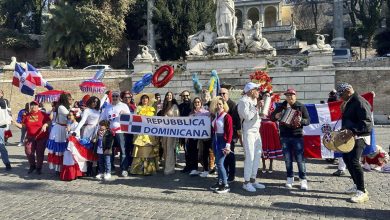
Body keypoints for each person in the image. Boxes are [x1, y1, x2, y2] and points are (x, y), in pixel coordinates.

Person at [336, 83, 372, 203]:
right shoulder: (350, 101)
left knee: (354, 161)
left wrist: (352, 131)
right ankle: (357, 185)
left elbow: (367, 123)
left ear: (348, 90)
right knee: (346, 159)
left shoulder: (360, 102)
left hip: (360, 137)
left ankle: (362, 192)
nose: (340, 97)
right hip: (351, 137)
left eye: (341, 94)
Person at [271, 88, 310, 190]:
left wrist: (301, 121)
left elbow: (308, 121)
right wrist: (276, 115)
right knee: (287, 159)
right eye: (287, 95)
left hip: (297, 136)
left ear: (295, 96)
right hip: (284, 136)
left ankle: (303, 179)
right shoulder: (281, 106)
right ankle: (289, 177)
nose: (290, 97)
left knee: (300, 159)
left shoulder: (300, 106)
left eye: (291, 95)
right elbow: (272, 117)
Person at [237, 82, 265, 192]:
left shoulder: (254, 100)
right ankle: (246, 182)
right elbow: (247, 117)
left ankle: (253, 179)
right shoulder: (243, 101)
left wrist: (261, 110)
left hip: (256, 131)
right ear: (250, 91)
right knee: (250, 157)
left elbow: (257, 116)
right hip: (248, 131)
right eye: (256, 89)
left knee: (257, 155)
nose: (258, 91)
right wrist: (257, 107)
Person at [13, 101, 50, 174]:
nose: (33, 106)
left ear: (38, 106)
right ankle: (32, 166)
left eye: (35, 105)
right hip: (30, 137)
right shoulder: (27, 116)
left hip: (41, 137)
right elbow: (23, 126)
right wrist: (15, 123)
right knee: (28, 151)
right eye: (32, 105)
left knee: (40, 153)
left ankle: (38, 168)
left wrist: (45, 125)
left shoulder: (43, 114)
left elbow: (49, 121)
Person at [101, 91, 132, 177]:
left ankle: (124, 169)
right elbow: (102, 119)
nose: (114, 98)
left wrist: (125, 113)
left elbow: (130, 117)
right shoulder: (108, 107)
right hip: (110, 132)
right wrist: (103, 126)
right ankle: (110, 169)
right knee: (109, 150)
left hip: (120, 131)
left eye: (116, 96)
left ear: (119, 97)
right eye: (113, 96)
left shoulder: (123, 105)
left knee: (123, 150)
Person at [209, 96, 233, 193]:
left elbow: (230, 131)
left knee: (220, 163)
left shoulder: (227, 116)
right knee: (217, 163)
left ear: (224, 105)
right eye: (217, 104)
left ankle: (225, 184)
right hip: (215, 139)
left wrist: (228, 145)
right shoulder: (216, 115)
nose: (218, 106)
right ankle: (219, 182)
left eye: (220, 104)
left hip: (223, 140)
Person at [130, 94, 159, 175]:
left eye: (146, 98)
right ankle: (138, 169)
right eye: (143, 98)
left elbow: (155, 120)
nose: (145, 100)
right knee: (140, 150)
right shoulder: (138, 108)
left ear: (148, 100)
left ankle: (149, 169)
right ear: (141, 100)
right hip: (140, 132)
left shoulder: (152, 109)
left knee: (148, 149)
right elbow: (134, 119)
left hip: (149, 132)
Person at [47, 93, 73, 173]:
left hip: (64, 128)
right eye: (69, 99)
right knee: (59, 149)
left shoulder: (66, 107)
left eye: (71, 99)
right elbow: (69, 115)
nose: (71, 100)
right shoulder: (61, 107)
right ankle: (58, 168)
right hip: (59, 129)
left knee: (64, 149)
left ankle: (63, 166)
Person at [219, 88, 240, 182]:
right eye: (220, 93)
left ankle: (231, 175)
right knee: (223, 155)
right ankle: (224, 173)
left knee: (230, 155)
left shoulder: (232, 104)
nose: (222, 95)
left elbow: (236, 121)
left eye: (224, 93)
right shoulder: (219, 105)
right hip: (221, 134)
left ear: (228, 94)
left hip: (230, 134)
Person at [259, 91, 283, 173]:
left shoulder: (274, 105)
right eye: (265, 95)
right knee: (263, 145)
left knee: (271, 145)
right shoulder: (259, 104)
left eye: (268, 96)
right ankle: (263, 165)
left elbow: (277, 117)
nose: (267, 97)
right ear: (262, 96)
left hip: (272, 127)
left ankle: (271, 164)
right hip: (262, 127)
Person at [187, 97, 210, 176]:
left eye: (198, 102)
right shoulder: (191, 114)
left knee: (204, 153)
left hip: (204, 137)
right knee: (194, 152)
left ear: (201, 103)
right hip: (194, 136)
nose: (197, 104)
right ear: (193, 104)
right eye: (195, 102)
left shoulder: (206, 113)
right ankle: (194, 169)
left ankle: (206, 169)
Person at [160, 92, 180, 175]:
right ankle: (166, 165)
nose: (169, 96)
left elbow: (178, 120)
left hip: (171, 131)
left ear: (172, 97)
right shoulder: (164, 107)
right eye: (167, 95)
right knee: (165, 148)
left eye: (170, 95)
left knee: (170, 149)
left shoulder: (174, 107)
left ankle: (169, 169)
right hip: (164, 131)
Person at [178, 90, 192, 173]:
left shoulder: (192, 105)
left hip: (192, 132)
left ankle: (193, 166)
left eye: (187, 95)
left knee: (192, 150)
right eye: (183, 96)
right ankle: (187, 166)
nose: (185, 97)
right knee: (186, 150)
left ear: (189, 96)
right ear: (181, 97)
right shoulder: (180, 106)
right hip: (183, 131)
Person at [0, 89, 11, 170]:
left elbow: (8, 112)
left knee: (1, 146)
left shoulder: (4, 102)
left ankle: (7, 162)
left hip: (1, 126)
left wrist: (8, 125)